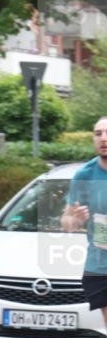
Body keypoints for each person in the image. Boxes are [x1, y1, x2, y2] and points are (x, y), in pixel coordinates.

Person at [61, 116, 107, 323]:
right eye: (98, 134)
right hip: (100, 267)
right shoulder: (85, 175)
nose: (103, 139)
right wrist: (76, 219)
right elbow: (67, 222)